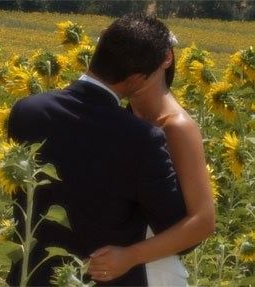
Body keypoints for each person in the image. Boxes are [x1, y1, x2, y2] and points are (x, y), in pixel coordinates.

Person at [5, 14, 201, 286]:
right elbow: (180, 231)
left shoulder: (26, 112)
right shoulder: (141, 139)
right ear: (135, 78)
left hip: (31, 274)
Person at [86, 37, 215, 284]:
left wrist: (129, 257)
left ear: (167, 58)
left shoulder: (176, 126)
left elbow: (203, 221)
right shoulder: (121, 119)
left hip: (153, 271)